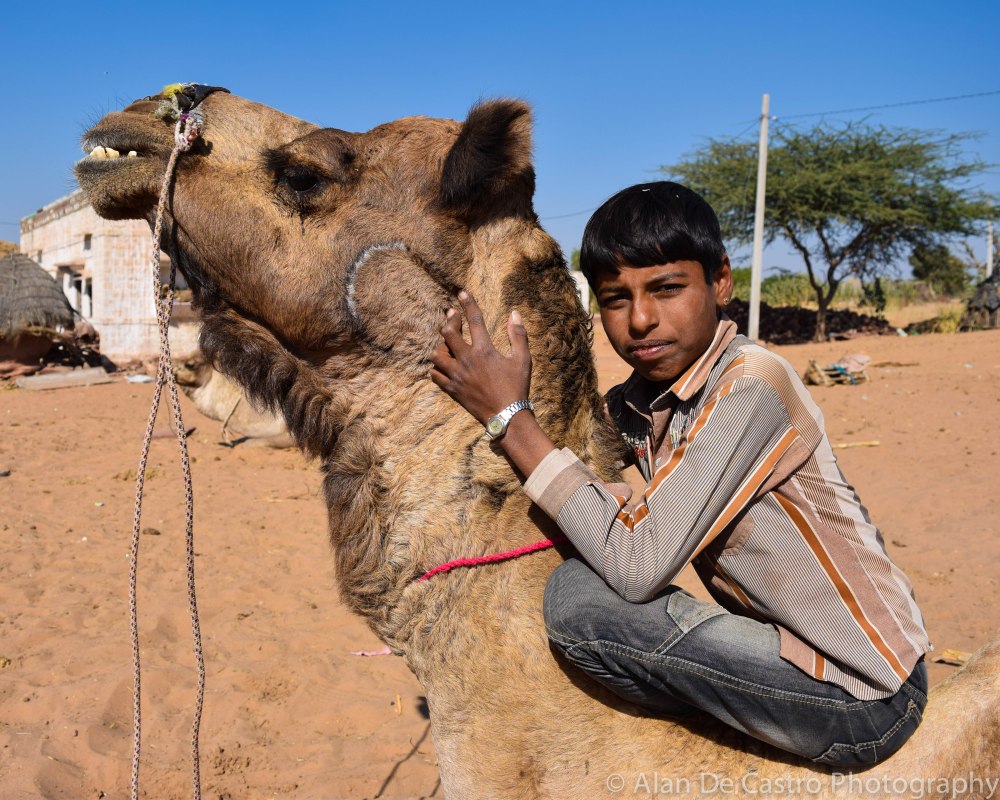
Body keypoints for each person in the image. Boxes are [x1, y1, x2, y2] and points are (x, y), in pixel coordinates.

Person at [428, 181, 929, 767]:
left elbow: (637, 566)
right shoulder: (641, 402)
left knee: (578, 604)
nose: (640, 320)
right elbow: (591, 479)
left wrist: (508, 418)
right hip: (785, 651)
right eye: (616, 298)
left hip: (861, 690)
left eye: (666, 289)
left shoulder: (752, 385)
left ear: (720, 281)